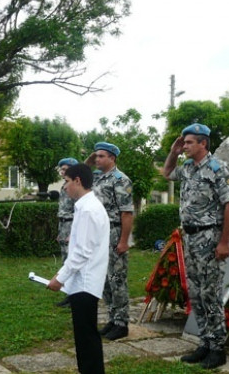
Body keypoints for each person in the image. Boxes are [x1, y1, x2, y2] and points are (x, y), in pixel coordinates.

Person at [163, 123, 229, 369]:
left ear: (203, 143)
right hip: (190, 238)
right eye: (183, 142)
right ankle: (204, 343)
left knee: (211, 293)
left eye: (188, 142)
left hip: (210, 238)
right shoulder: (187, 167)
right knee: (195, 293)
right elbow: (167, 173)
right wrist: (173, 152)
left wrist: (224, 242)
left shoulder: (217, 168)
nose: (184, 146)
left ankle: (218, 348)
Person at [48, 163, 110, 374]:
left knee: (86, 338)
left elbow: (82, 252)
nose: (64, 187)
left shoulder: (88, 209)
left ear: (78, 181)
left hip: (85, 282)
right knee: (85, 338)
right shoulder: (85, 206)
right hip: (84, 281)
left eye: (66, 181)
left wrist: (61, 278)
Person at [84, 142, 133, 341]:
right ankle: (113, 318)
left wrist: (123, 241)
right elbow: (80, 170)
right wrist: (91, 156)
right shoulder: (95, 177)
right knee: (104, 279)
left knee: (117, 279)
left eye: (101, 156)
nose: (97, 159)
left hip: (114, 232)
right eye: (96, 156)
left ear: (112, 158)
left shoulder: (121, 180)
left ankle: (122, 323)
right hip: (98, 234)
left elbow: (127, 213)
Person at [55, 157, 79, 308]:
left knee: (72, 260)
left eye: (65, 169)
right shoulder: (63, 186)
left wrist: (72, 233)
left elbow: (78, 210)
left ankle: (75, 295)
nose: (62, 172)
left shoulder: (76, 187)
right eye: (61, 169)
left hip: (71, 224)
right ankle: (68, 293)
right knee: (65, 261)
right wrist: (60, 233)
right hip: (63, 224)